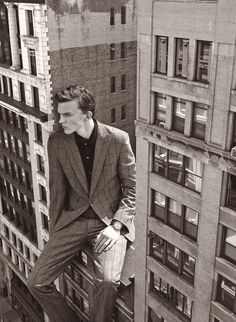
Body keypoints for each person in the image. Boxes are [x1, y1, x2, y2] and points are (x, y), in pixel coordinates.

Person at [27, 84, 136, 322]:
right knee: (36, 281)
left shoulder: (118, 139)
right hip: (72, 221)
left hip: (107, 222)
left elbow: (131, 188)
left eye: (67, 114)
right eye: (59, 114)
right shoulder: (57, 142)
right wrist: (55, 233)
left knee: (107, 282)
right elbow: (57, 191)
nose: (60, 120)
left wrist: (117, 226)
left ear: (87, 113)